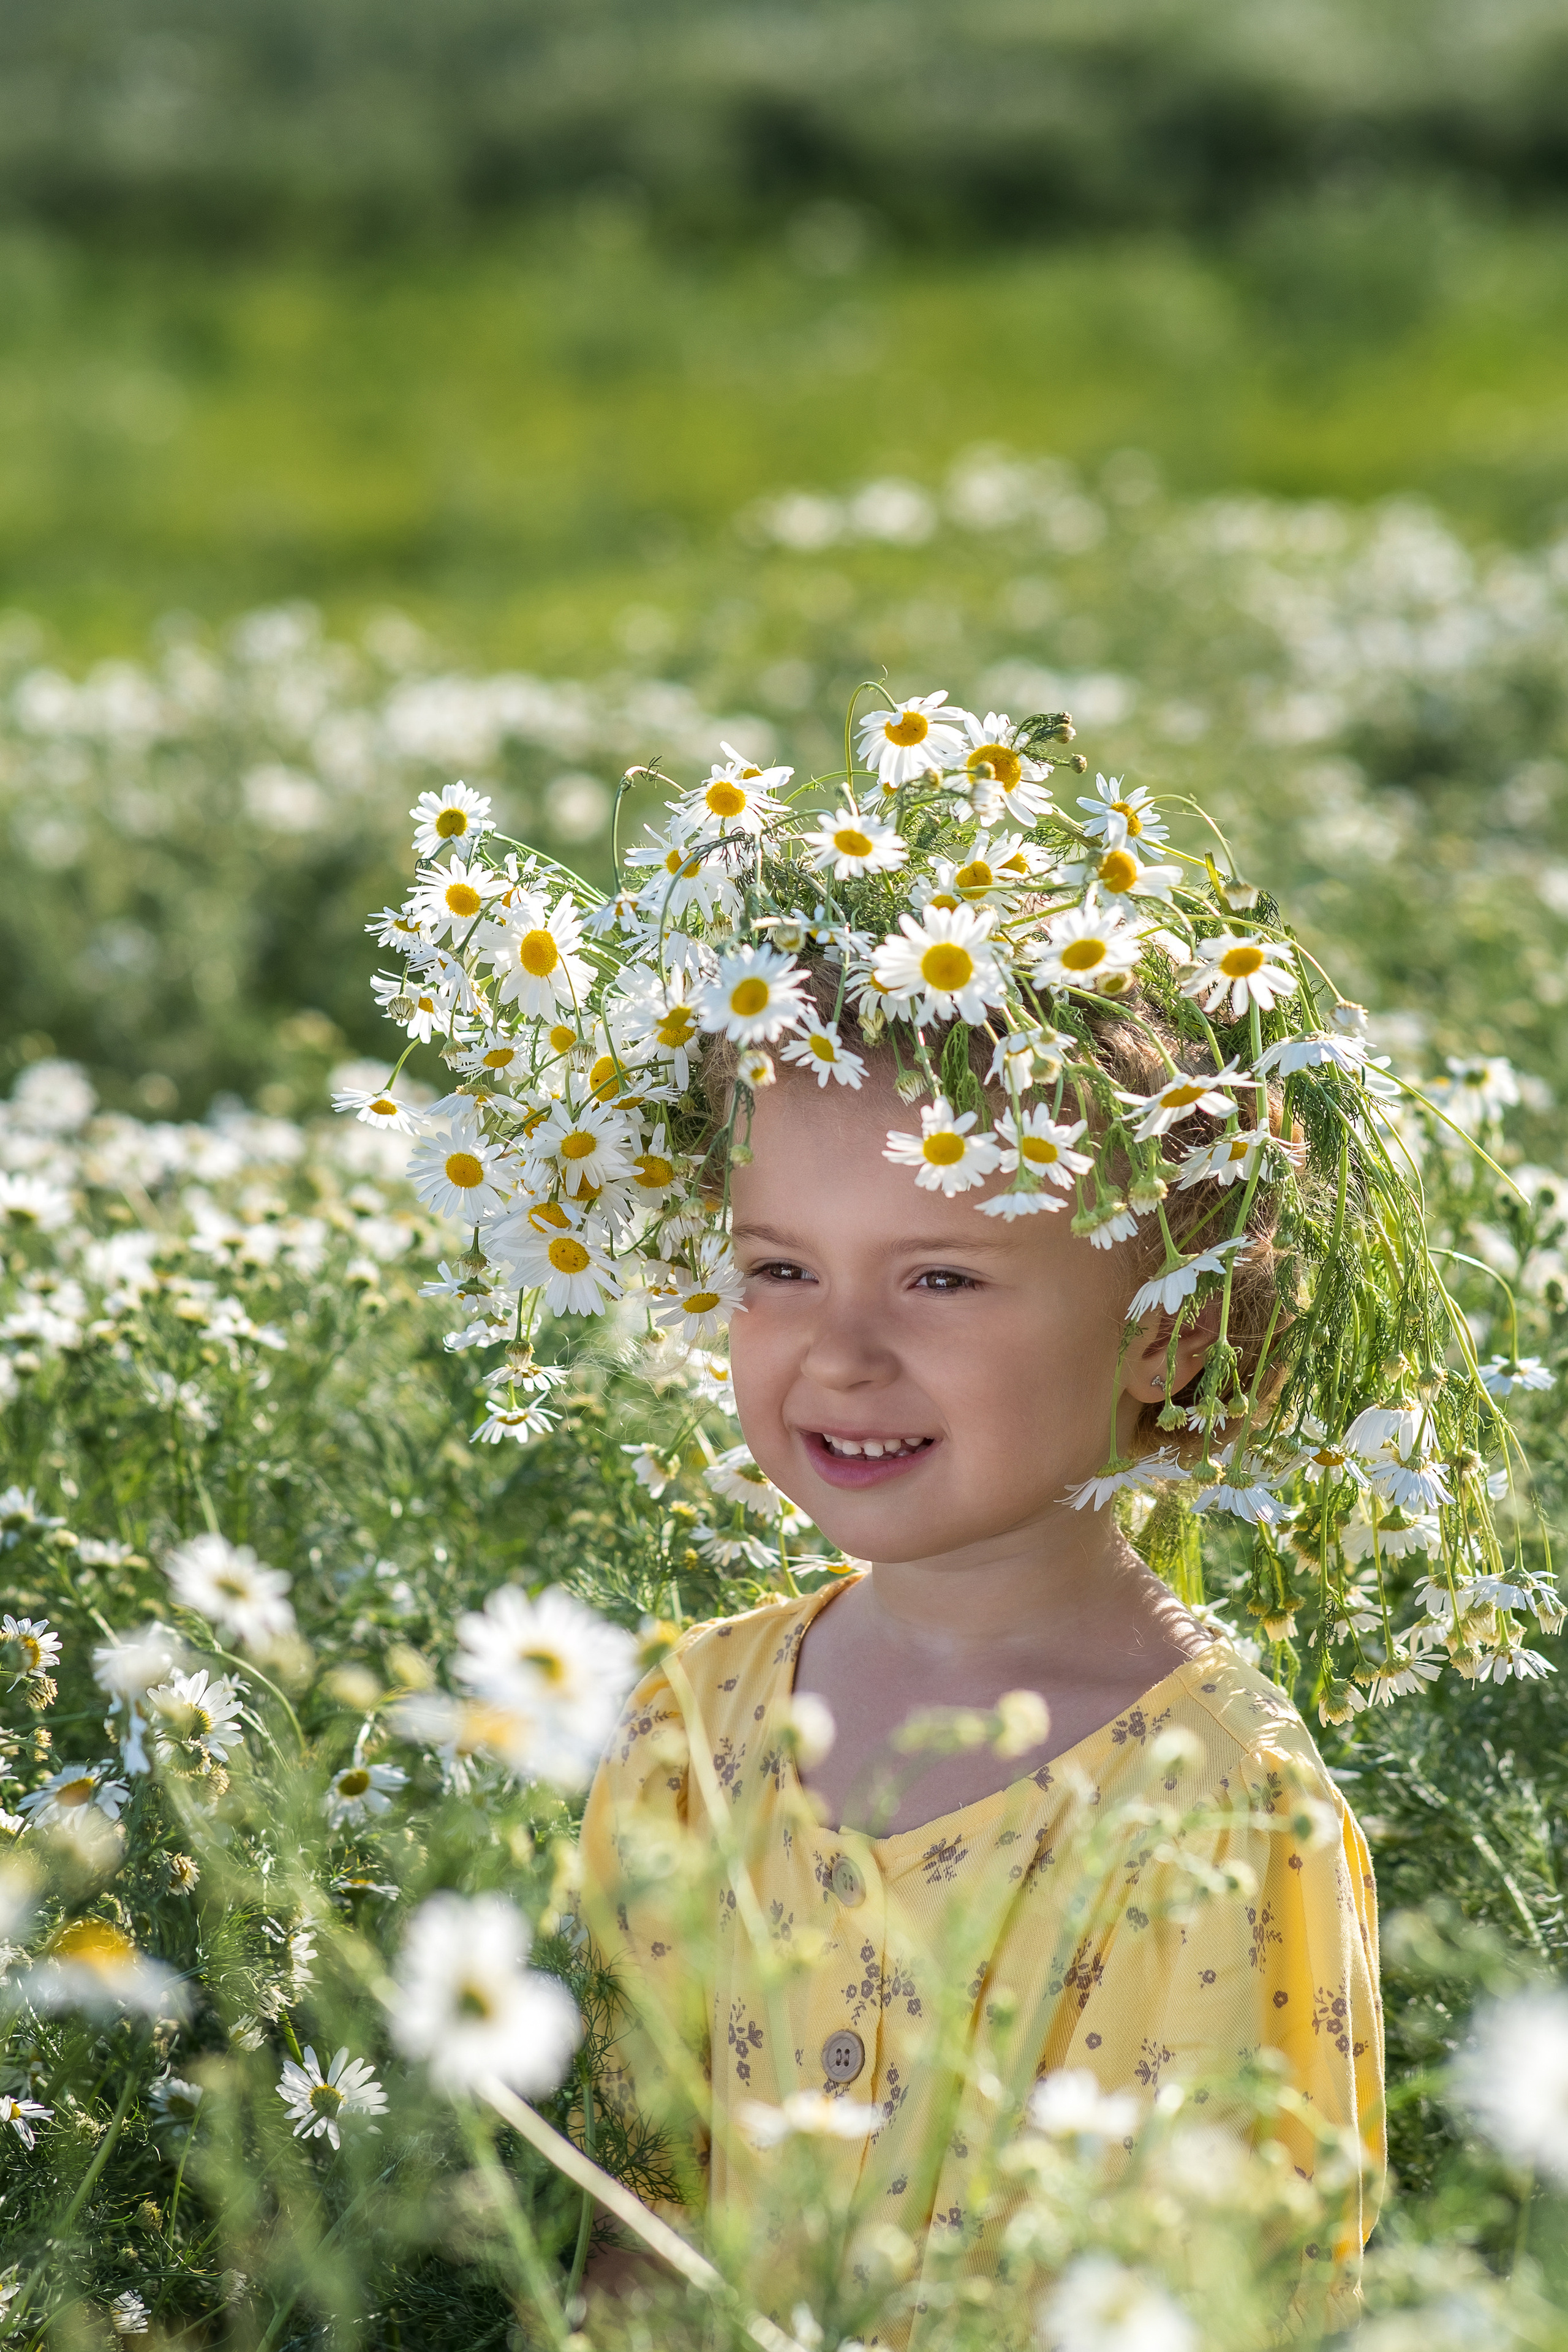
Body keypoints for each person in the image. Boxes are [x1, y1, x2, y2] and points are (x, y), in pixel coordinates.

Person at [575, 987, 1384, 2341]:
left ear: (1168, 1331)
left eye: (939, 1278)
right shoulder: (694, 1719)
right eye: (779, 1269)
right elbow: (632, 2230)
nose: (839, 1353)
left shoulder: (1216, 1799)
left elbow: (1231, 2293)